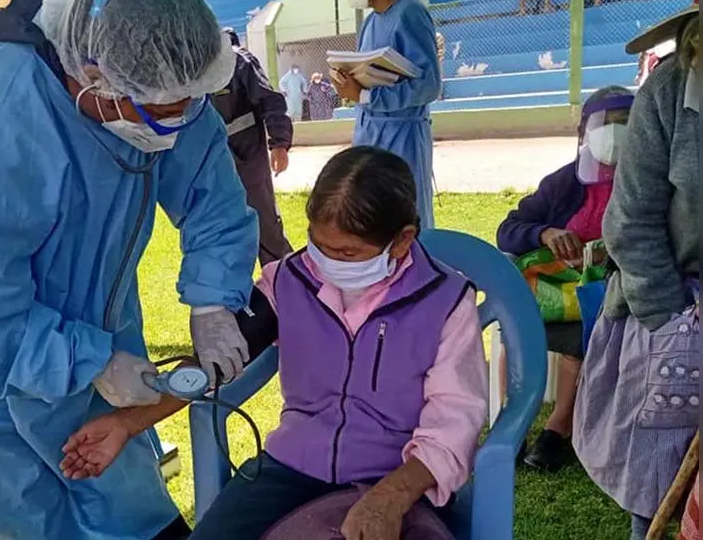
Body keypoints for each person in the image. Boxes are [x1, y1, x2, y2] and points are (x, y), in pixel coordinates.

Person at [0, 0, 259, 540]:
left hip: (98, 331)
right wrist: (96, 364)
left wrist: (213, 302)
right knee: (31, 515)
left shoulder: (161, 86)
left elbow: (213, 199)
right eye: (160, 113)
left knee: (129, 504)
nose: (177, 126)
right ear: (91, 75)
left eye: (187, 106)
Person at [60, 147, 488, 540]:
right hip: (291, 469)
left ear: (402, 241)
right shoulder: (290, 281)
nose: (325, 263)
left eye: (348, 254)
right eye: (319, 245)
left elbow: (454, 423)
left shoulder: (445, 302)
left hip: (397, 476)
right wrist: (127, 423)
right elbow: (216, 363)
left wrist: (390, 498)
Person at [573, 0, 698, 540]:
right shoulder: (671, 88)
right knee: (660, 484)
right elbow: (629, 223)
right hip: (672, 305)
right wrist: (677, 320)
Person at [496, 86, 635, 473]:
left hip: (611, 295)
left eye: (624, 124)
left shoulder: (647, 180)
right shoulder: (564, 183)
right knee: (517, 332)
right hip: (553, 290)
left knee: (582, 338)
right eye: (603, 124)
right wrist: (545, 234)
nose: (612, 133)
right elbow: (509, 229)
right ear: (583, 133)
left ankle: (558, 430)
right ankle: (514, 424)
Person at [333, 0, 442, 231]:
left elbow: (428, 85)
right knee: (372, 217)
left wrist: (367, 96)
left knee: (403, 216)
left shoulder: (410, 14)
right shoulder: (371, 22)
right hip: (370, 133)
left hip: (401, 137)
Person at [213, 28, 294, 265]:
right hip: (210, 163)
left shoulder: (240, 62)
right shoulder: (192, 68)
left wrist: (279, 143)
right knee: (221, 233)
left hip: (247, 158)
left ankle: (284, 284)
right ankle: (232, 297)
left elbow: (270, 100)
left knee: (265, 226)